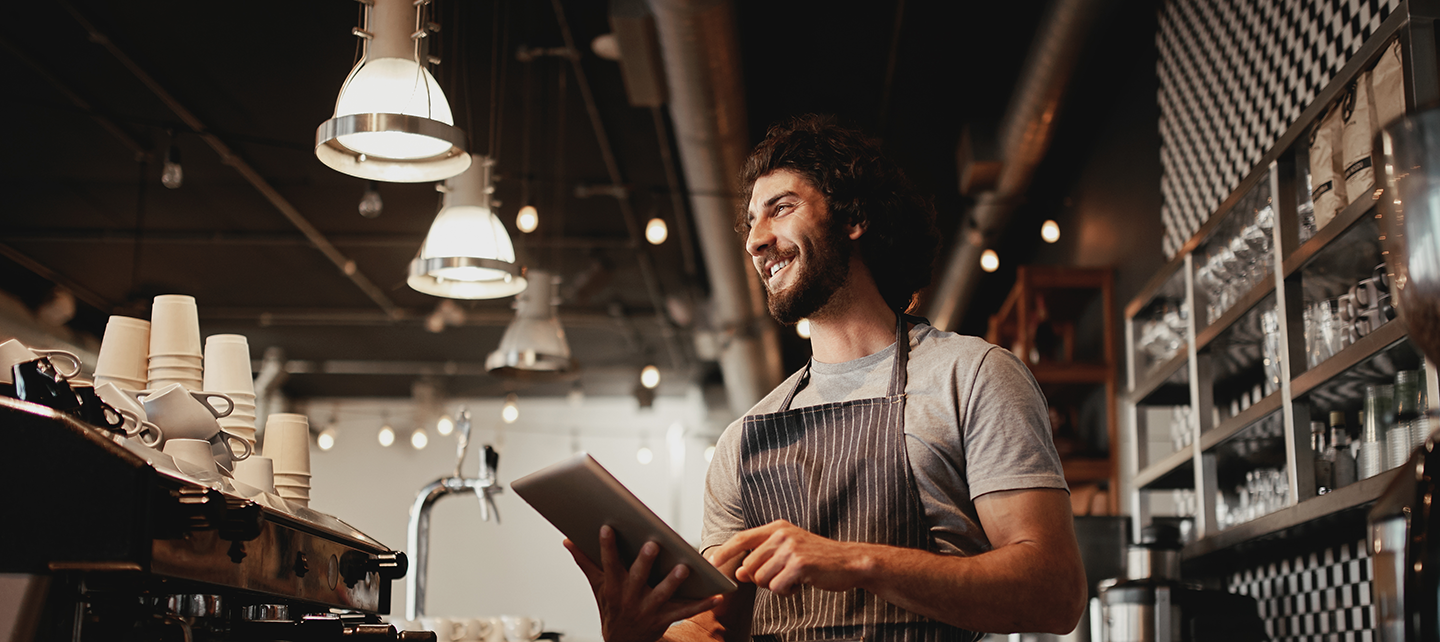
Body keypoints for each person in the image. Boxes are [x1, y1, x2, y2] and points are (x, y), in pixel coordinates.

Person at [565, 115, 1087, 642]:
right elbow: (713, 628)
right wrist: (635, 637)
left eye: (781, 208)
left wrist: (856, 562)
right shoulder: (742, 441)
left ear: (853, 217)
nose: (755, 241)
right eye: (751, 222)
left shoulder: (971, 376)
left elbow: (1055, 594)